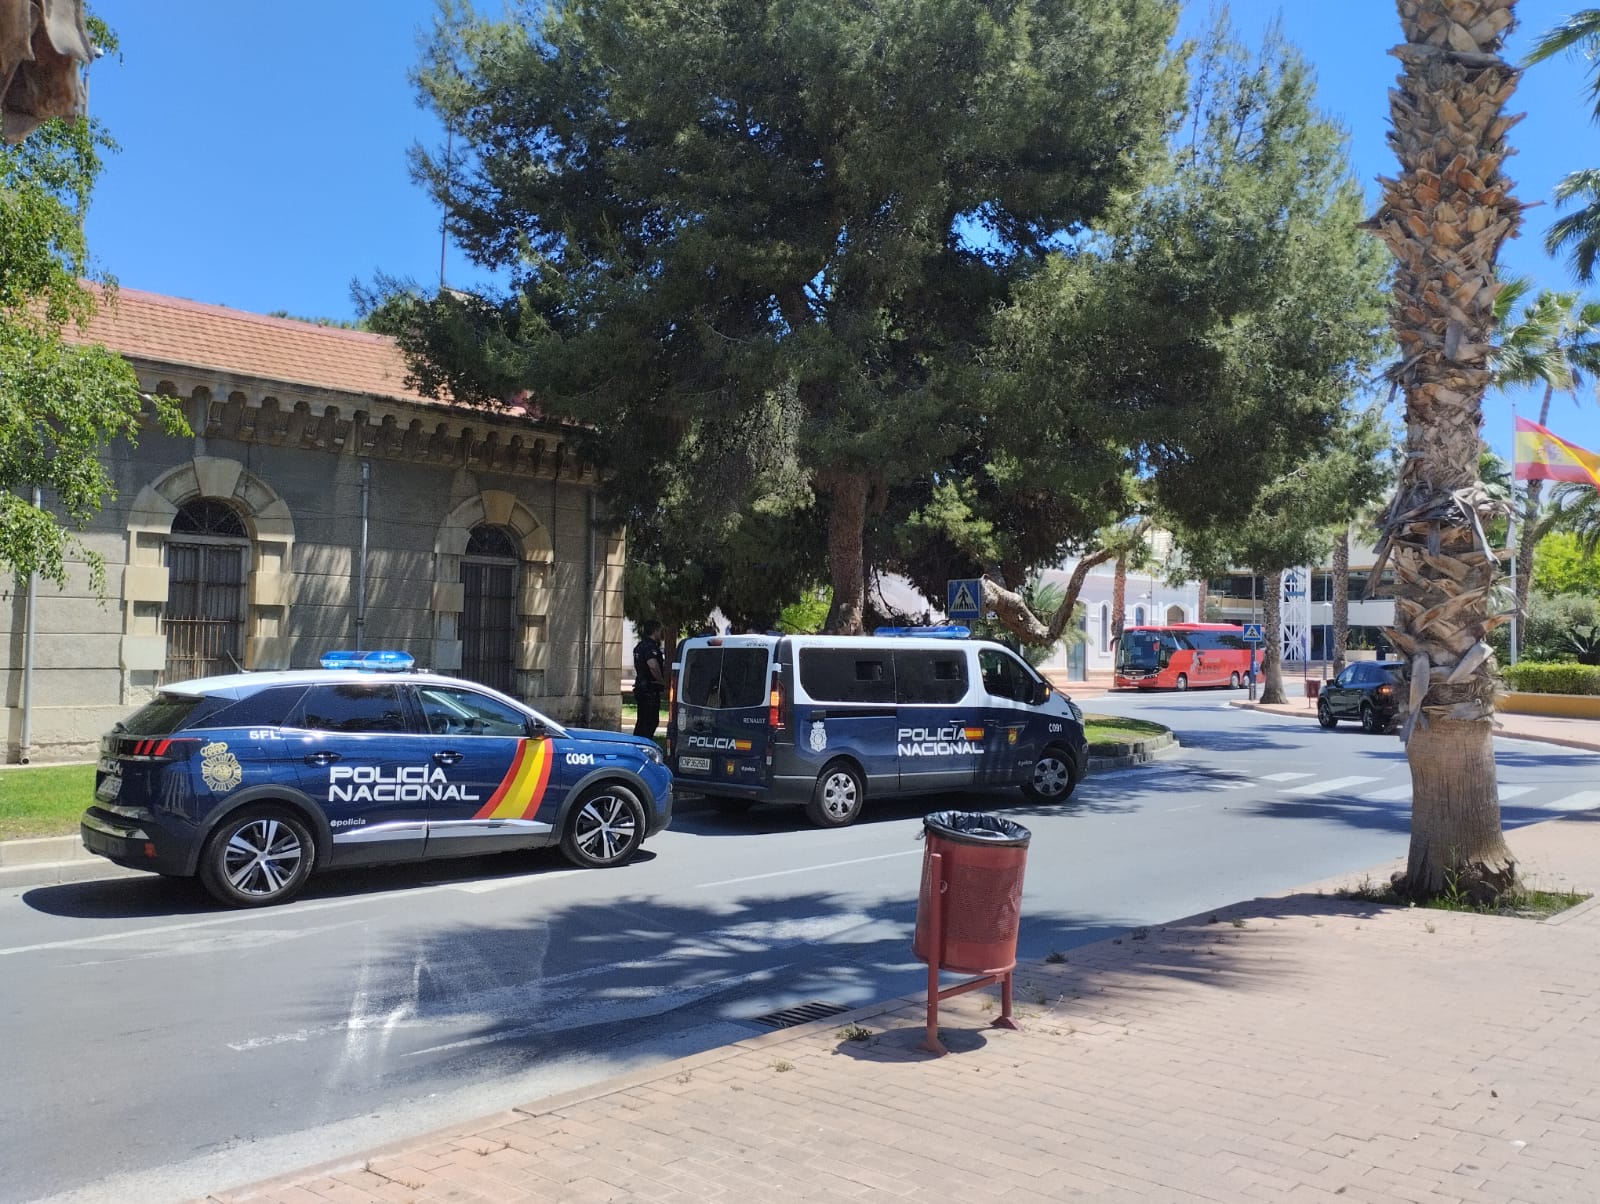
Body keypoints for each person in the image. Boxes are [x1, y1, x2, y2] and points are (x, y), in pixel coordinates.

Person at [632, 620, 667, 739]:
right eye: (660, 631)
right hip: (649, 689)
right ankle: (643, 747)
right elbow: (652, 665)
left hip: (642, 688)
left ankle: (637, 745)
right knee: (650, 722)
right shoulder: (650, 647)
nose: (661, 634)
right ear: (655, 631)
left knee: (642, 722)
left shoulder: (640, 646)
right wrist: (661, 681)